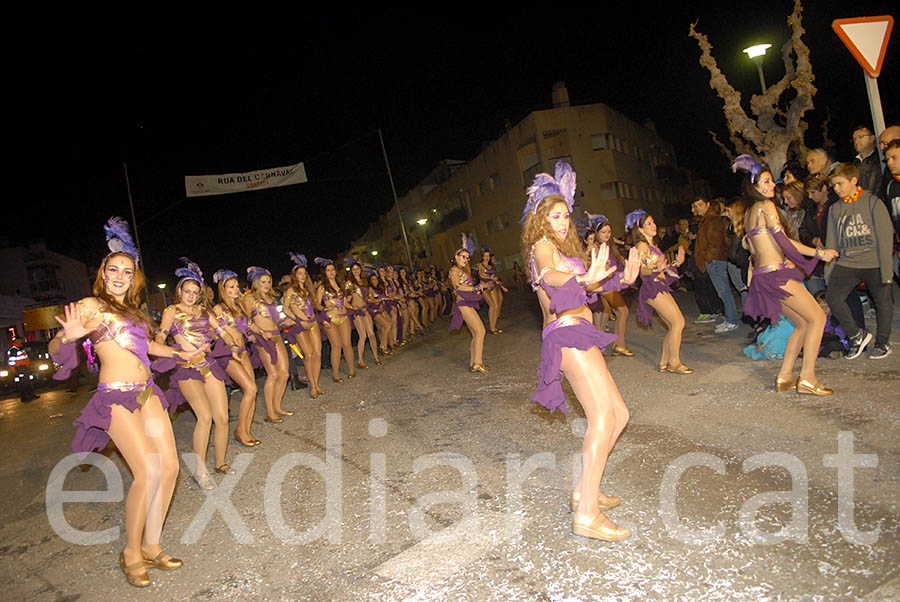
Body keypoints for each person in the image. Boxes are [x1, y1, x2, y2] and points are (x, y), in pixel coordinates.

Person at [50, 218, 199, 587]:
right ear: (102, 273)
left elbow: (146, 346)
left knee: (169, 469)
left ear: (135, 278)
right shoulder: (91, 305)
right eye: (113, 269)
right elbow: (56, 347)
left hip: (148, 392)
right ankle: (130, 553)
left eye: (126, 271)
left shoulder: (134, 311)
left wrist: (183, 353)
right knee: (147, 472)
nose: (119, 275)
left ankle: (151, 545)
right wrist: (67, 339)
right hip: (115, 396)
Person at [522, 161, 639, 542]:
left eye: (565, 216)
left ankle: (583, 491)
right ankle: (587, 514)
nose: (561, 221)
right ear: (540, 218)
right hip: (567, 334)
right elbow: (550, 277)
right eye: (554, 215)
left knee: (618, 414)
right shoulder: (542, 249)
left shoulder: (560, 249)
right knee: (603, 416)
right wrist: (579, 276)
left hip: (580, 331)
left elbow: (590, 286)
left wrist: (624, 278)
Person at [733, 154, 839, 394]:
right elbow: (783, 241)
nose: (772, 186)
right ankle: (808, 378)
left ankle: (785, 376)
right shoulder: (766, 207)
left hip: (764, 277)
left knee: (801, 323)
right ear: (754, 185)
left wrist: (808, 255)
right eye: (767, 182)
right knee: (818, 318)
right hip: (776, 276)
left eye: (771, 181)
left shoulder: (750, 213)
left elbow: (767, 245)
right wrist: (817, 254)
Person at [156, 258, 233, 489]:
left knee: (222, 417)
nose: (190, 295)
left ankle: (220, 463)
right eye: (186, 291)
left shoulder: (204, 311)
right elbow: (161, 335)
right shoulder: (172, 311)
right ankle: (200, 472)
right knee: (205, 416)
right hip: (187, 368)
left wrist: (232, 341)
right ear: (180, 291)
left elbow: (222, 330)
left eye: (194, 292)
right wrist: (161, 346)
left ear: (200, 293)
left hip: (208, 365)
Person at [825, 163, 893, 360]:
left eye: (839, 184)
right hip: (848, 262)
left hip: (874, 262)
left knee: (883, 302)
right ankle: (856, 335)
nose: (836, 189)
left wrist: (886, 271)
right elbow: (832, 241)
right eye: (833, 185)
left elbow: (885, 237)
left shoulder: (873, 202)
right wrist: (830, 273)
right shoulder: (835, 209)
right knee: (833, 297)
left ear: (853, 180)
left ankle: (882, 342)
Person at [627, 209, 692, 373]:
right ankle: (674, 363)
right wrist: (655, 266)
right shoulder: (641, 246)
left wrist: (677, 263)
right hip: (653, 288)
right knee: (679, 322)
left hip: (658, 286)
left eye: (653, 221)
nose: (653, 225)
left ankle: (664, 361)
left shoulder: (651, 245)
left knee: (673, 324)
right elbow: (644, 271)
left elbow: (662, 269)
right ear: (640, 230)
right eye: (648, 223)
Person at [210, 269, 259, 446]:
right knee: (251, 388)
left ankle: (246, 431)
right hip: (227, 354)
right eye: (231, 287)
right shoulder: (218, 309)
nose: (235, 289)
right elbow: (214, 332)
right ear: (223, 289)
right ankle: (239, 430)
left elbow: (245, 327)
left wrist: (251, 334)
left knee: (252, 392)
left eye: (236, 286)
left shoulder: (239, 307)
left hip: (243, 351)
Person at [242, 266, 292, 422]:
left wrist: (284, 322)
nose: (266, 284)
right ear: (256, 282)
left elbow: (275, 319)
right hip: (263, 339)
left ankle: (277, 407)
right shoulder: (249, 299)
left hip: (277, 335)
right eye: (263, 282)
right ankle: (270, 413)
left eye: (268, 282)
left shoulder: (272, 299)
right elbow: (245, 321)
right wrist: (259, 332)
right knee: (273, 374)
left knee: (284, 373)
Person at [282, 253, 326, 398]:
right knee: (308, 355)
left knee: (317, 353)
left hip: (312, 323)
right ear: (294, 275)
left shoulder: (309, 290)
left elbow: (314, 305)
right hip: (300, 326)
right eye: (299, 273)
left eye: (304, 273)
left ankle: (317, 384)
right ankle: (312, 386)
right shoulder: (291, 290)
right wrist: (296, 319)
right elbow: (285, 307)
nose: (302, 276)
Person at [694, 197, 739, 333]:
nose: (697, 209)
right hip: (713, 259)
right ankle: (730, 319)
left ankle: (732, 320)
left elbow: (715, 242)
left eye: (699, 205)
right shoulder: (709, 220)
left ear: (708, 205)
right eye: (695, 206)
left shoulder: (712, 220)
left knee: (724, 291)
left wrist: (707, 257)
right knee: (722, 291)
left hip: (714, 260)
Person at [592, 216, 634, 356]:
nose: (607, 234)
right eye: (603, 231)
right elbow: (602, 269)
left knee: (604, 316)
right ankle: (618, 346)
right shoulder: (596, 247)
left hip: (608, 284)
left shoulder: (609, 246)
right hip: (604, 286)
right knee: (623, 311)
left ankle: (603, 347)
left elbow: (617, 263)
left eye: (609, 231)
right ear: (597, 233)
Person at [449, 233, 487, 372]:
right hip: (463, 305)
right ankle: (477, 363)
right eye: (463, 257)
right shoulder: (454, 270)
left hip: (467, 303)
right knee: (481, 331)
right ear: (456, 257)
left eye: (467, 257)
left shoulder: (462, 270)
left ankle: (474, 363)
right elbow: (457, 287)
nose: (466, 259)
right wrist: (474, 288)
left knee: (476, 333)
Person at [315, 257, 357, 382]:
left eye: (333, 269)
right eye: (328, 270)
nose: (331, 272)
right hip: (331, 319)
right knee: (336, 346)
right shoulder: (322, 287)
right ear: (325, 273)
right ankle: (335, 374)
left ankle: (351, 370)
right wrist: (324, 308)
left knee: (347, 344)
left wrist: (352, 306)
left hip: (343, 317)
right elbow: (316, 304)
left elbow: (344, 302)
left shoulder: (340, 284)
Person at [344, 258, 381, 370]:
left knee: (371, 334)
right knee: (363, 335)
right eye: (353, 269)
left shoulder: (364, 282)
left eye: (357, 269)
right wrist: (350, 304)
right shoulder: (349, 283)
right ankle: (360, 360)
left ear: (360, 270)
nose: (356, 271)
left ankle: (376, 357)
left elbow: (368, 296)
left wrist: (371, 298)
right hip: (357, 311)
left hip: (365, 309)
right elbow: (345, 299)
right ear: (351, 271)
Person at [476, 247, 508, 334]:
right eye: (485, 256)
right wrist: (491, 277)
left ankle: (493, 327)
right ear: (482, 257)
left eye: (488, 256)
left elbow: (496, 278)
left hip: (492, 287)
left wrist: (502, 286)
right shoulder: (480, 265)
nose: (487, 258)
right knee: (492, 305)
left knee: (496, 306)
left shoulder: (491, 266)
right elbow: (482, 276)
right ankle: (492, 328)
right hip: (485, 288)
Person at [852, 125, 883, 199]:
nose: (856, 141)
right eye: (854, 139)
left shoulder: (881, 160)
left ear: (872, 138)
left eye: (860, 137)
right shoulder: (854, 164)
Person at [7, 336, 38, 402]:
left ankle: (30, 395)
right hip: (20, 368)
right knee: (23, 383)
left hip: (24, 367)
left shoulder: (19, 348)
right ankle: (24, 397)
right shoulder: (14, 349)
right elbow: (12, 361)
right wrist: (14, 370)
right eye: (19, 340)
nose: (21, 341)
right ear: (16, 341)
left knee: (27, 382)